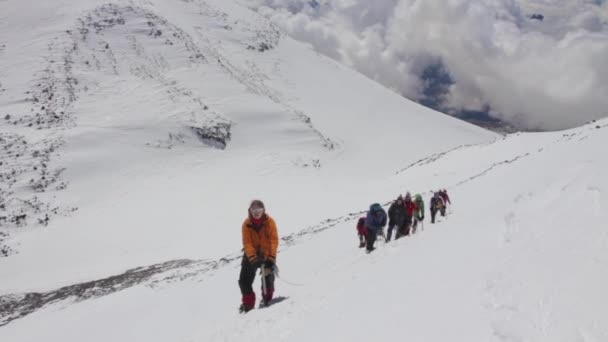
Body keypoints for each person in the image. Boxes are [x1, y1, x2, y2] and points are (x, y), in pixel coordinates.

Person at [239, 200, 278, 313]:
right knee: (244, 281)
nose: (256, 212)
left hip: (266, 254)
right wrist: (253, 259)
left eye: (259, 210)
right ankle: (248, 305)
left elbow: (273, 240)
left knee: (268, 278)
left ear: (263, 210)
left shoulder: (270, 222)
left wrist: (271, 258)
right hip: (251, 256)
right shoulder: (246, 224)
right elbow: (247, 243)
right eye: (254, 210)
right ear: (250, 211)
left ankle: (267, 300)